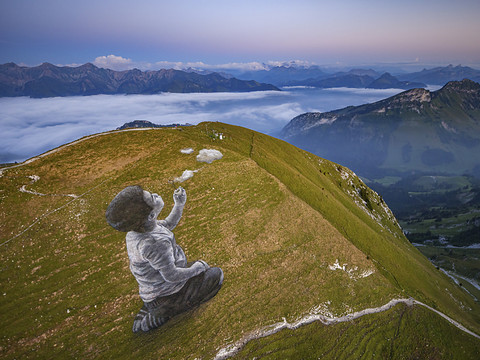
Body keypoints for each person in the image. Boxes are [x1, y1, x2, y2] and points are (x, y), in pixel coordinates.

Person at [105, 185, 223, 332]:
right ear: (150, 216)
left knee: (197, 270)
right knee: (215, 275)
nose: (155, 194)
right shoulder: (154, 244)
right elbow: (172, 275)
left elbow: (168, 224)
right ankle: (161, 313)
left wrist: (179, 204)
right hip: (168, 292)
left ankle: (151, 306)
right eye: (152, 197)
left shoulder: (139, 231)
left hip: (155, 289)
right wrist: (197, 268)